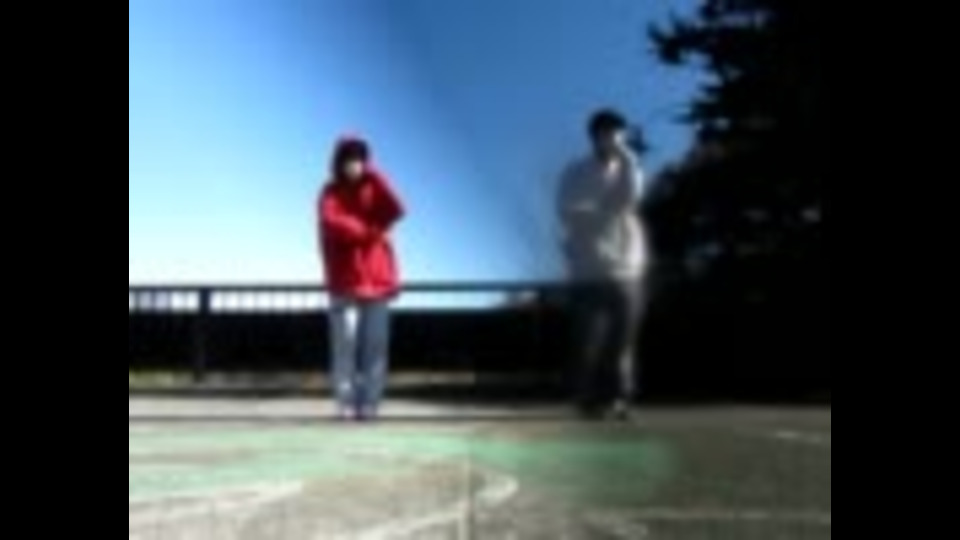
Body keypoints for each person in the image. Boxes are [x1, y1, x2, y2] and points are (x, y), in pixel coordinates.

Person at [556, 109, 649, 420]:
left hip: (627, 266)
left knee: (623, 340)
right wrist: (600, 213)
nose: (615, 139)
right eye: (609, 133)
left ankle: (620, 399)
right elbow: (567, 211)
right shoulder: (575, 172)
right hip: (588, 268)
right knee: (588, 339)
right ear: (595, 136)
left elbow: (631, 198)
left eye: (620, 134)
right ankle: (589, 400)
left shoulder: (630, 167)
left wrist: (627, 157)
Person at [318, 136, 405, 421]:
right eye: (348, 158)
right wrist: (368, 231)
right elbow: (331, 224)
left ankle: (370, 404)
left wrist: (375, 174)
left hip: (377, 279)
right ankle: (345, 404)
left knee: (376, 346)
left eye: (359, 158)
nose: (353, 163)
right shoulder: (330, 192)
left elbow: (397, 208)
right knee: (344, 344)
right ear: (338, 162)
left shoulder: (374, 186)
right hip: (344, 281)